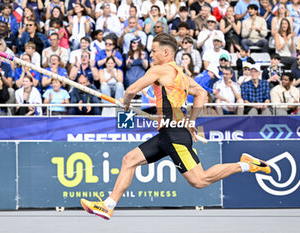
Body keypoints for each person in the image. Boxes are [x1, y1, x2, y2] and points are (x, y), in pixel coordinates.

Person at [80, 33, 271, 220]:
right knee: (129, 160)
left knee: (200, 180)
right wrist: (192, 122)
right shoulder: (181, 75)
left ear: (166, 53)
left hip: (175, 135)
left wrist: (126, 102)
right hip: (168, 133)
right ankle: (108, 206)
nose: (151, 55)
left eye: (154, 51)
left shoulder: (158, 70)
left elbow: (130, 89)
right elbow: (202, 94)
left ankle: (246, 165)